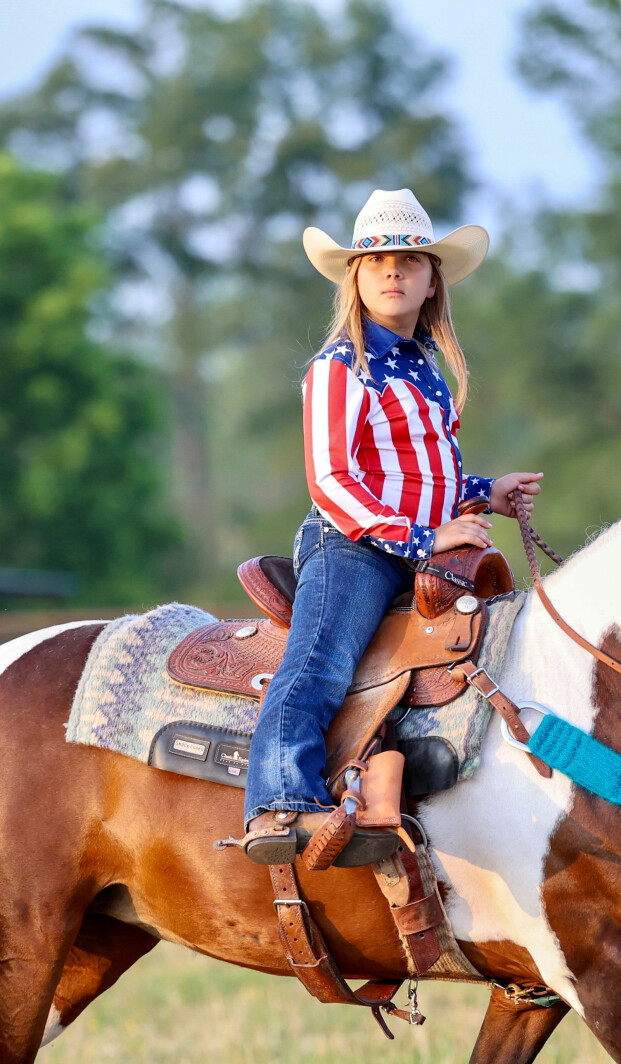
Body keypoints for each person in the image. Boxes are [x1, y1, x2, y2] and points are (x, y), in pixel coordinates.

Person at [240, 187, 542, 867]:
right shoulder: (338, 367)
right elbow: (333, 481)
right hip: (352, 546)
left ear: (433, 280)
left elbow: (420, 475)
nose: (392, 272)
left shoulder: (426, 372)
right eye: (375, 262)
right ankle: (277, 800)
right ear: (355, 277)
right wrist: (424, 540)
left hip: (417, 548)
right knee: (321, 660)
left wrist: (483, 492)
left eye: (409, 259)